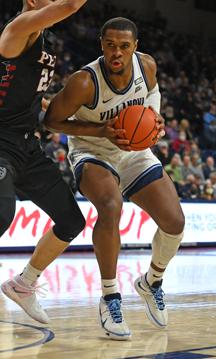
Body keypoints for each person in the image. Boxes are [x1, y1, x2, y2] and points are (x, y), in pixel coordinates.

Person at [44, 17, 185, 340]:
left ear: (135, 47)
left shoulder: (146, 66)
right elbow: (52, 120)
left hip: (132, 150)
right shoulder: (84, 81)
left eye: (124, 46)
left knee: (174, 222)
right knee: (110, 205)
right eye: (110, 45)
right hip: (92, 149)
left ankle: (152, 281)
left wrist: (155, 118)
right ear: (101, 45)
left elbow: (152, 95)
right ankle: (110, 297)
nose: (116, 53)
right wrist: (99, 130)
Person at [0, 0, 88, 324]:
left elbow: (28, 94)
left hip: (29, 147)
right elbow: (69, 6)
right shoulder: (17, 28)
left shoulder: (43, 41)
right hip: (2, 143)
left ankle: (24, 284)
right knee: (1, 215)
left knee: (72, 221)